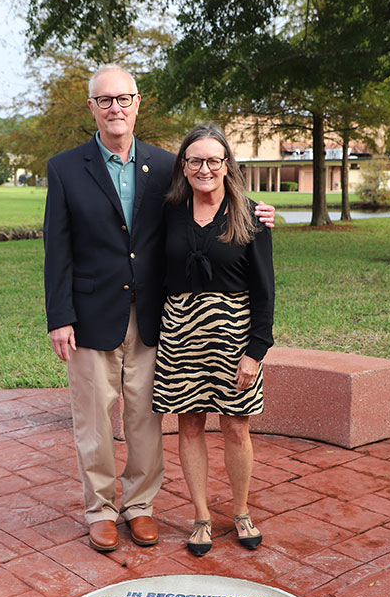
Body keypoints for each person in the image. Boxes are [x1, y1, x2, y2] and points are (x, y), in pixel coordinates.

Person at [43, 65, 275, 553]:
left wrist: (262, 214)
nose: (115, 108)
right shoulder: (65, 168)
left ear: (137, 103)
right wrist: (59, 316)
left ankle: (139, 506)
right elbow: (57, 249)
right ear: (92, 107)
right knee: (95, 418)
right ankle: (101, 510)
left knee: (145, 415)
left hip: (153, 314)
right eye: (105, 100)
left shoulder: (164, 164)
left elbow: (214, 199)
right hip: (90, 313)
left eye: (123, 99)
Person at [152, 124, 274, 556]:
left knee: (237, 428)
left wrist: (255, 351)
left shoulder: (252, 214)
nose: (204, 168)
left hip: (233, 334)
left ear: (227, 166)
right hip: (180, 332)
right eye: (195, 160)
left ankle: (240, 511)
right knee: (189, 425)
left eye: (213, 160)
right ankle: (201, 516)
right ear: (183, 166)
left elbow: (264, 289)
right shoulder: (167, 212)